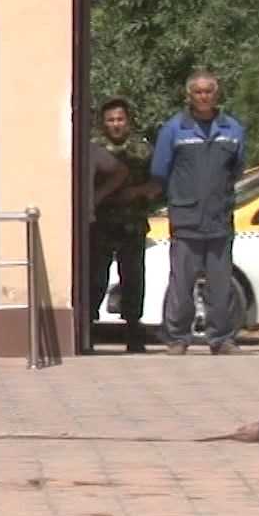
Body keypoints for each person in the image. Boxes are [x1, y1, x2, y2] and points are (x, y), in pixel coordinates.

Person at [150, 70, 247, 355]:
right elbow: (160, 170)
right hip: (186, 218)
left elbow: (237, 168)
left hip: (219, 218)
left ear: (217, 95)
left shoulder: (232, 129)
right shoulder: (174, 129)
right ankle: (177, 338)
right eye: (198, 92)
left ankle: (222, 339)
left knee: (221, 284)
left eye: (209, 91)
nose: (204, 96)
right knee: (182, 284)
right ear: (189, 96)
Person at [91, 98, 157, 353]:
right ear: (103, 123)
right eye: (110, 120)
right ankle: (88, 327)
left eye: (120, 119)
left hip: (132, 223)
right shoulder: (93, 148)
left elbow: (157, 184)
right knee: (96, 278)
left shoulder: (142, 150)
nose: (116, 124)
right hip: (101, 223)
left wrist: (137, 192)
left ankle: (133, 330)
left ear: (128, 121)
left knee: (132, 278)